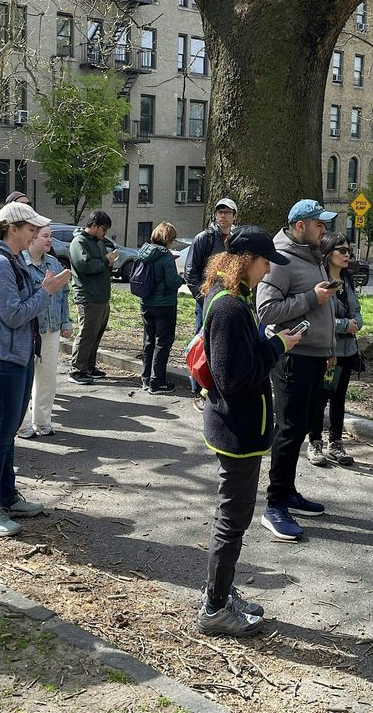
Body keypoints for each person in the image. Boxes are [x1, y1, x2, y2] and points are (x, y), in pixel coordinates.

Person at [197, 225, 302, 636]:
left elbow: (237, 360)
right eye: (265, 264)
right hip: (237, 432)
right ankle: (214, 608)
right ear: (247, 260)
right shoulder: (230, 308)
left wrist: (271, 340)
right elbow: (233, 378)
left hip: (239, 428)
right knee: (232, 521)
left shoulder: (235, 300)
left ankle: (220, 591)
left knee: (232, 518)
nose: (267, 272)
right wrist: (279, 348)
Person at [0, 201, 71, 538]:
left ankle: (8, 497)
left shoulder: (10, 260)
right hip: (1, 360)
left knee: (7, 433)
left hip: (15, 357)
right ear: (11, 229)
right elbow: (14, 314)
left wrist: (43, 290)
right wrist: (46, 291)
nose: (34, 233)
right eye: (30, 228)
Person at [255, 199, 340, 541]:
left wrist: (330, 350)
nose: (325, 230)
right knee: (288, 429)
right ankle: (274, 505)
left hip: (315, 356)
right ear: (300, 226)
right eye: (320, 225)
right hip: (293, 358)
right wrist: (311, 299)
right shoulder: (282, 259)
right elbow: (266, 311)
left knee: (302, 426)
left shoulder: (311, 255)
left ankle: (288, 492)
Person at [306, 231, 361, 467]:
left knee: (340, 398)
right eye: (342, 250)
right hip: (331, 352)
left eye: (349, 250)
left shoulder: (347, 280)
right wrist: (344, 325)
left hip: (348, 351)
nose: (347, 255)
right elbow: (320, 317)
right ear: (328, 254)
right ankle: (315, 441)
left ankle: (336, 442)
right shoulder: (321, 281)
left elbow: (357, 311)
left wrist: (355, 322)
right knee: (323, 396)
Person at [184, 198, 238, 409]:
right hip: (207, 302)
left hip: (230, 302)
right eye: (219, 212)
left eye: (227, 212)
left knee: (223, 346)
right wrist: (204, 298)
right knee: (203, 344)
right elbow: (190, 272)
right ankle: (198, 390)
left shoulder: (236, 239)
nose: (223, 216)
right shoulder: (203, 239)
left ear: (234, 215)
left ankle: (217, 388)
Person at [20, 224, 72, 438]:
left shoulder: (54, 263)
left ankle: (42, 422)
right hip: (27, 329)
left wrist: (66, 322)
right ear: (32, 238)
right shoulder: (20, 263)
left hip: (51, 329)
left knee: (47, 377)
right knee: (24, 378)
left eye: (50, 236)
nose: (50, 240)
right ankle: (21, 424)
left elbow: (64, 294)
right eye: (45, 236)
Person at [68, 210, 119, 385]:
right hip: (88, 296)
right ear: (94, 225)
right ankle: (77, 369)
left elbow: (101, 264)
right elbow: (84, 265)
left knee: (96, 334)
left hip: (101, 296)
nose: (105, 233)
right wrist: (106, 260)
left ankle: (89, 366)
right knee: (86, 334)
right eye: (103, 229)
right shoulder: (79, 242)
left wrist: (109, 263)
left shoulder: (99, 242)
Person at [137, 222, 181, 394]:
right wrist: (180, 280)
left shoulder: (143, 252)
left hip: (146, 302)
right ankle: (158, 381)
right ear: (168, 239)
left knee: (148, 340)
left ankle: (146, 378)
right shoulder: (165, 256)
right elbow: (172, 282)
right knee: (163, 342)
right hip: (165, 303)